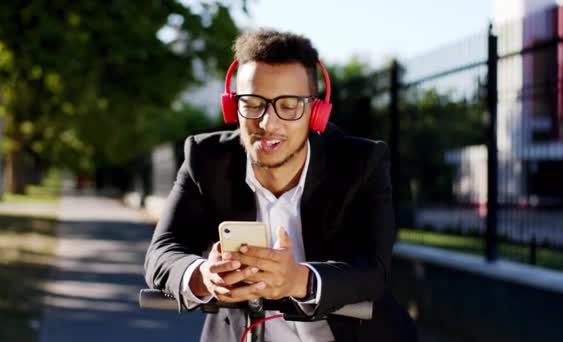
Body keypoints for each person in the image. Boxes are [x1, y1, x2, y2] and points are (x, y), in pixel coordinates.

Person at [144, 29, 417, 342]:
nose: (267, 123)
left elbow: (373, 269)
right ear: (233, 106)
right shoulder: (205, 159)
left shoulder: (361, 162)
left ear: (316, 112)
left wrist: (299, 280)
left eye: (288, 106)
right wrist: (202, 276)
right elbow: (162, 252)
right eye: (253, 103)